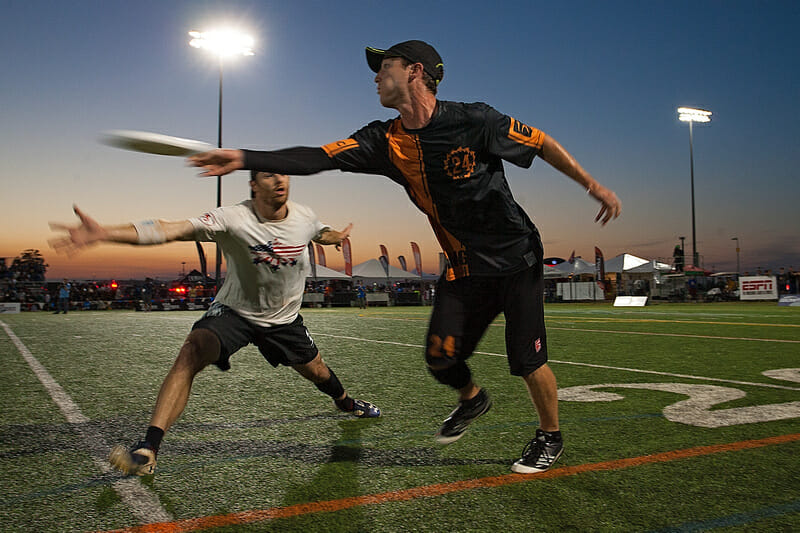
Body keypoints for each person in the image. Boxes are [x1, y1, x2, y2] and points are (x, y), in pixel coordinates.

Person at [189, 40, 621, 474]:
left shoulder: (475, 119)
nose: (376, 76)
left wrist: (591, 185)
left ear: (415, 71)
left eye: (384, 67)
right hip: (465, 269)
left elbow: (541, 142)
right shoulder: (385, 141)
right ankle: (473, 399)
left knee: (528, 360)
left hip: (517, 260)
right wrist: (246, 157)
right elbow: (317, 157)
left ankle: (550, 436)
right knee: (440, 358)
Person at [49, 171, 380, 476]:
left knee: (318, 371)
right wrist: (105, 232)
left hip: (283, 320)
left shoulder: (303, 215)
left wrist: (336, 236)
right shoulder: (232, 217)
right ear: (253, 185)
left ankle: (346, 403)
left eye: (283, 173)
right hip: (234, 312)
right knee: (191, 352)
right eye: (269, 175)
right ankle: (148, 449)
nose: (280, 179)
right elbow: (170, 228)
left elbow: (319, 230)